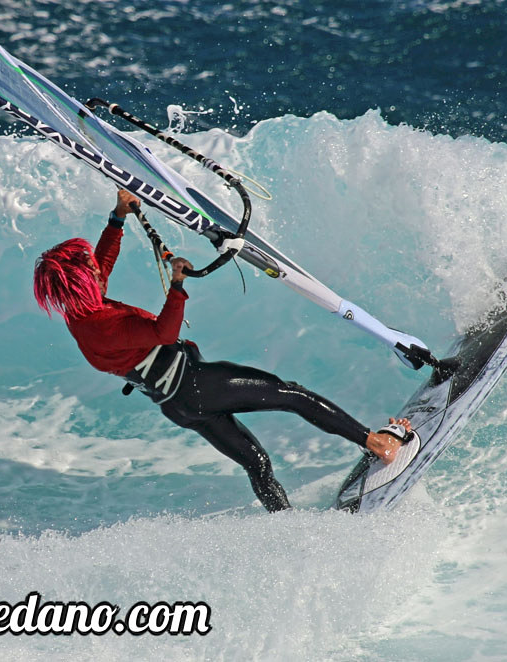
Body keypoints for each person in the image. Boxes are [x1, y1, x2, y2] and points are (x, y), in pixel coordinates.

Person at [33, 189, 412, 512]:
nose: (97, 272)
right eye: (89, 270)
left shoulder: (79, 309)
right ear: (81, 280)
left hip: (180, 407)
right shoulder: (100, 325)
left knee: (258, 464)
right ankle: (378, 443)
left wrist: (118, 217)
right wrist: (178, 285)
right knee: (291, 395)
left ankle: (287, 526)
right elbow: (164, 333)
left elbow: (103, 262)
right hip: (196, 384)